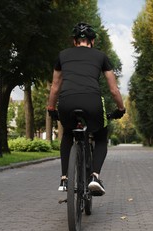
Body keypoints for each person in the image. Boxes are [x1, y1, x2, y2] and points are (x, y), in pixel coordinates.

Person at [47, 22, 125, 196]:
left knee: (68, 133)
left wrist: (51, 108)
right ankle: (94, 177)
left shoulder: (62, 55)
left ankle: (64, 179)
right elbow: (113, 89)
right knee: (101, 136)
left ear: (74, 41)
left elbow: (55, 87)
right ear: (93, 41)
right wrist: (121, 109)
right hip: (92, 102)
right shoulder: (101, 56)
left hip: (66, 102)